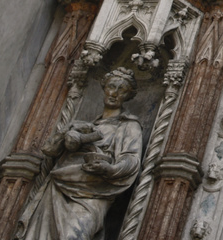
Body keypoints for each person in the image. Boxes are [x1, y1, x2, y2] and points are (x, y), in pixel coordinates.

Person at [17, 68, 143, 240]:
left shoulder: (129, 126)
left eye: (122, 90)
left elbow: (131, 160)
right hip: (59, 186)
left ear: (128, 96)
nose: (114, 93)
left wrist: (109, 169)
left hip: (93, 193)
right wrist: (66, 134)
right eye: (112, 86)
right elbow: (49, 150)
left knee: (75, 235)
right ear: (104, 87)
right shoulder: (84, 125)